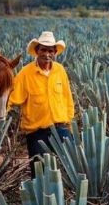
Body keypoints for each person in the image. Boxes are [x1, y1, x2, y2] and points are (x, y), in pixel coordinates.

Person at [7, 31, 75, 174]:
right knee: (39, 173)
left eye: (50, 50)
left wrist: (69, 123)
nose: (47, 54)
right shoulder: (26, 73)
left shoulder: (60, 70)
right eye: (43, 50)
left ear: (55, 52)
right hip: (37, 132)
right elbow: (11, 98)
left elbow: (67, 98)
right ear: (37, 51)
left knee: (72, 168)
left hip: (61, 128)